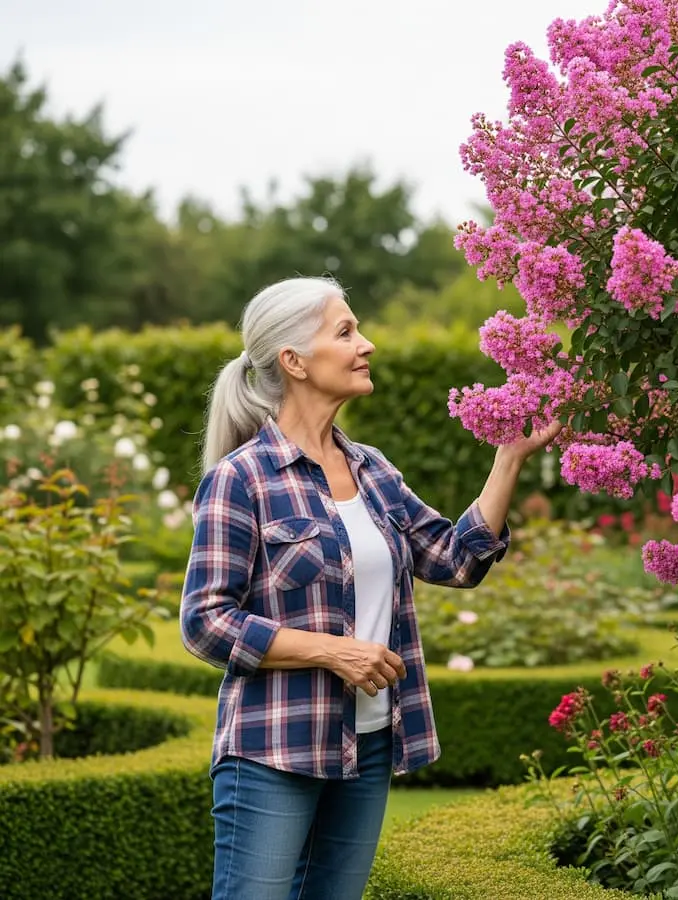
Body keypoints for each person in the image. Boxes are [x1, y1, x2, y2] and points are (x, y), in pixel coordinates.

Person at [180, 276, 560, 900]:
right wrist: (332, 650)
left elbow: (455, 559)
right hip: (273, 746)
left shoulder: (372, 469)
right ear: (294, 361)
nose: (368, 344)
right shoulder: (241, 480)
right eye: (346, 331)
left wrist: (509, 457)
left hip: (370, 743)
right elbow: (204, 621)